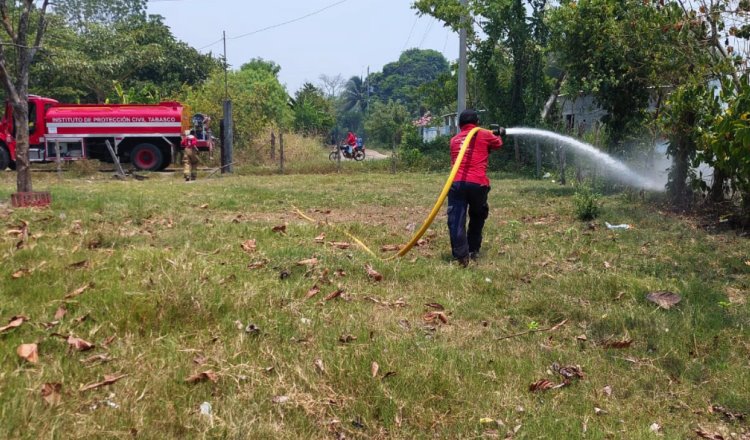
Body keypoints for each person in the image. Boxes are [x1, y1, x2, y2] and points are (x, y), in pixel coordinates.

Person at [447, 109, 505, 267]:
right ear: (477, 123)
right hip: (478, 184)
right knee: (478, 215)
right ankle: (472, 250)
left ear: (460, 125)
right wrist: (499, 132)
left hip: (456, 183)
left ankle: (461, 255)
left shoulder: (454, 140)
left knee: (456, 219)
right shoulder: (485, 134)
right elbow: (498, 144)